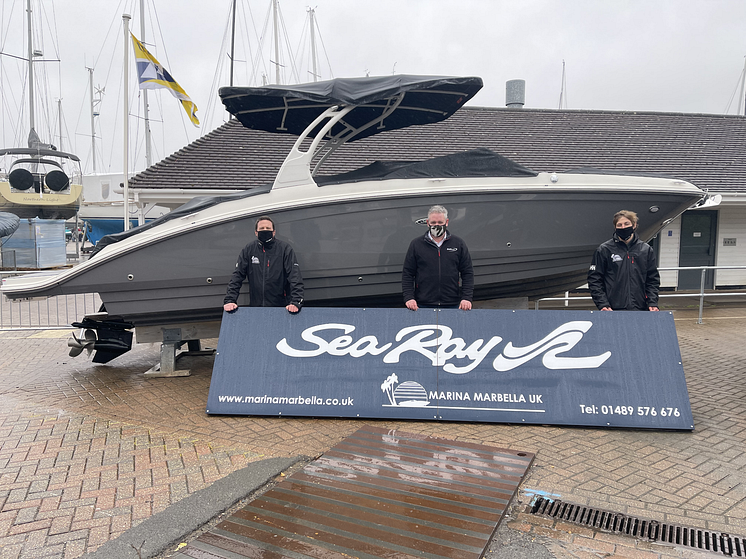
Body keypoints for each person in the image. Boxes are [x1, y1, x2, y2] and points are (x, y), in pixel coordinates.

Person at [223, 216, 304, 313]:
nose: (265, 231)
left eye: (268, 228)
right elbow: (237, 276)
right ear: (256, 232)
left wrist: (295, 302)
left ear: (274, 232)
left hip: (282, 308)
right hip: (256, 308)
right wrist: (230, 300)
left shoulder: (284, 249)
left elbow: (295, 276)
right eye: (262, 229)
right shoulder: (249, 249)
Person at [402, 205, 474, 310]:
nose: (437, 225)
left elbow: (467, 273)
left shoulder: (458, 244)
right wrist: (409, 297)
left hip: (452, 304)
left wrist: (467, 297)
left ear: (447, 222)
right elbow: (407, 273)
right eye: (433, 223)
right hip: (422, 304)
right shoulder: (416, 244)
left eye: (440, 223)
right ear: (427, 223)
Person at [588, 210, 660, 311]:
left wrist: (652, 302)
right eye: (619, 225)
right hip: (612, 309)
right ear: (615, 227)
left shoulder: (646, 250)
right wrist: (603, 304)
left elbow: (652, 279)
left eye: (626, 224)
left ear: (634, 225)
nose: (623, 227)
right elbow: (594, 279)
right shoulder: (604, 249)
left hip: (640, 308)